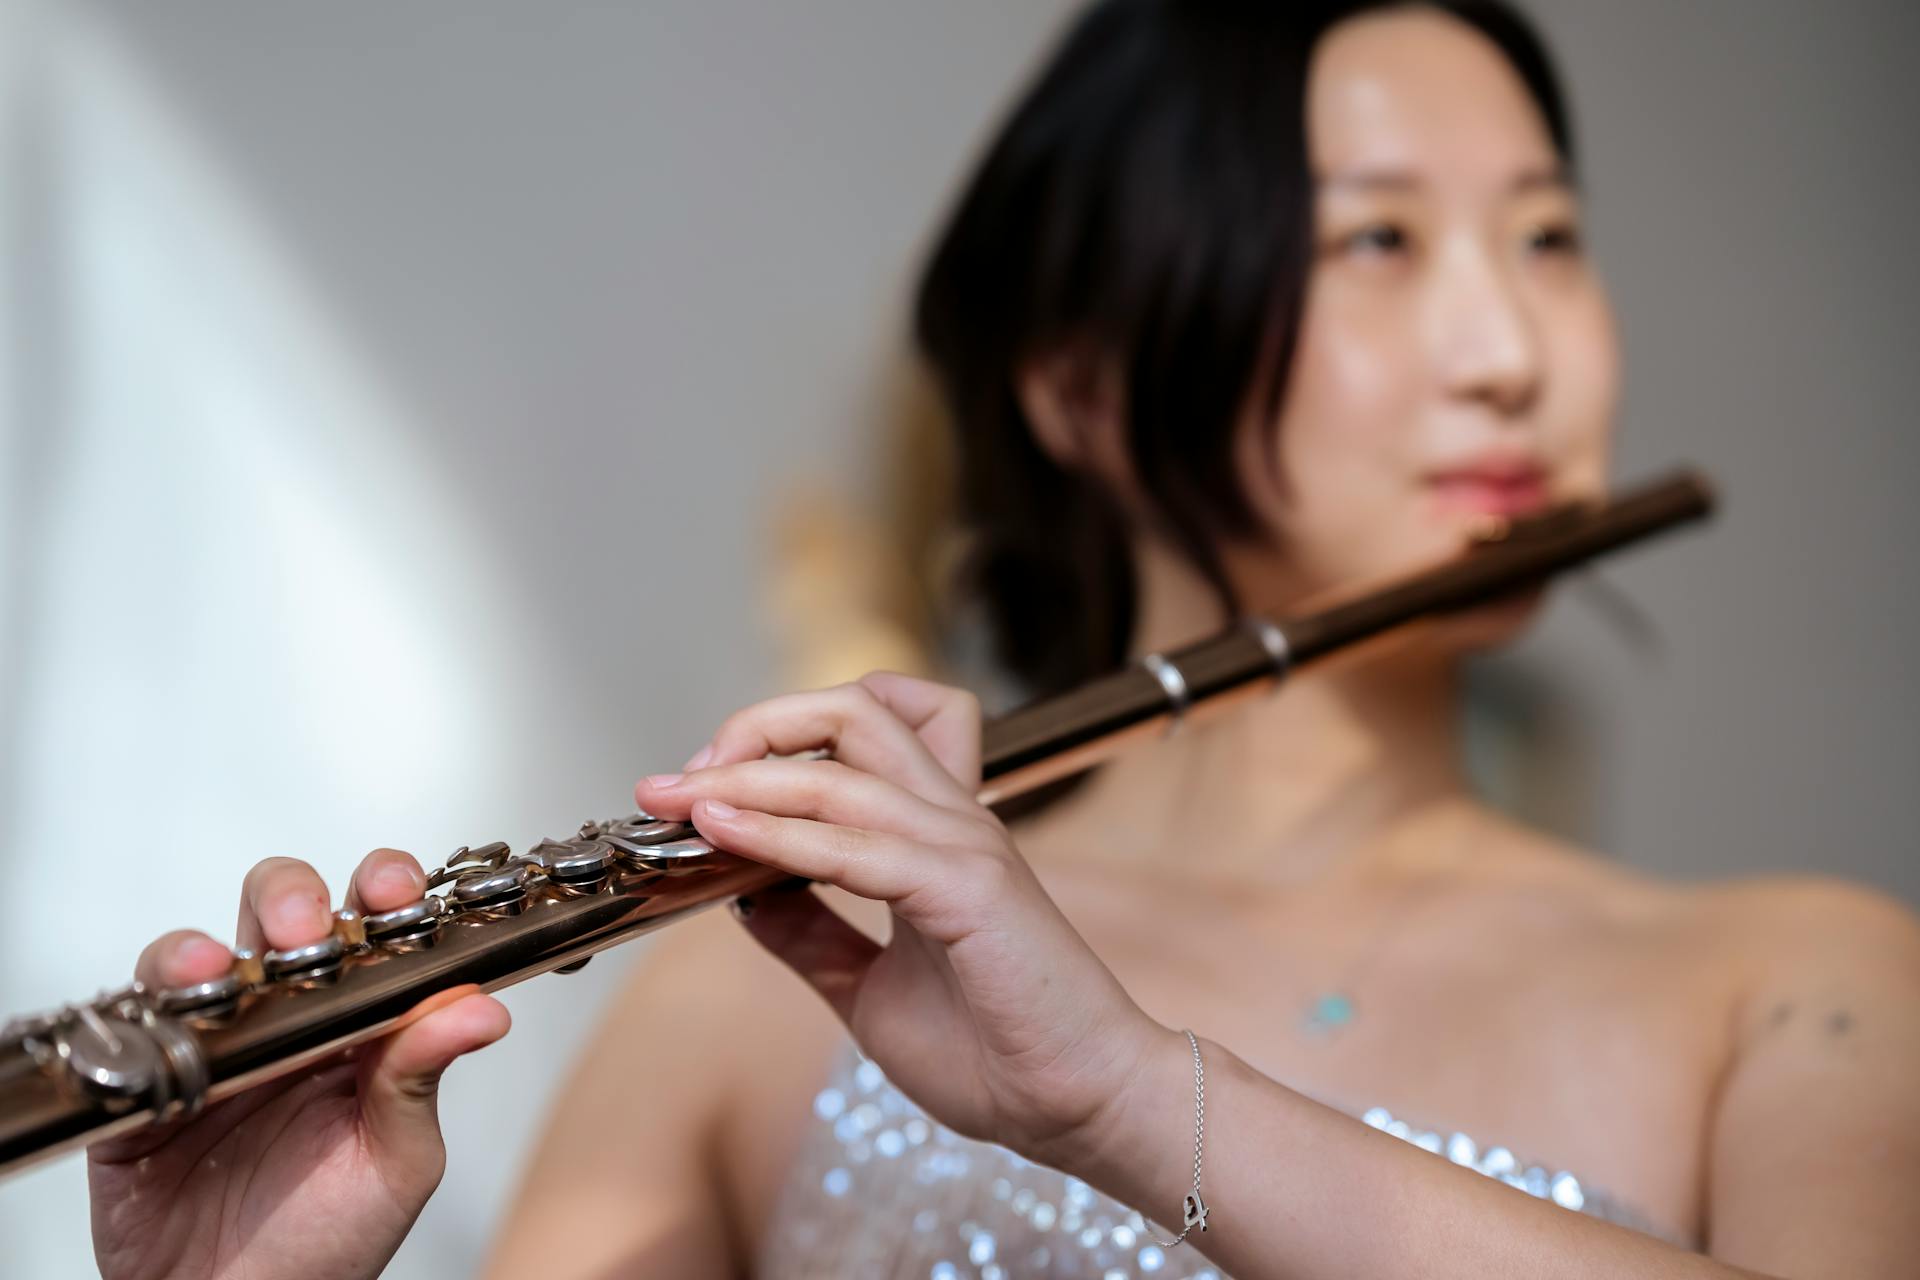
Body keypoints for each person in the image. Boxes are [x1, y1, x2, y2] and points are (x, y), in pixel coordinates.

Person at [88, 2, 1920, 1277]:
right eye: (1381, 243)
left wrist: (1126, 1098)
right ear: (1086, 381)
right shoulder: (753, 1000)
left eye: (1547, 240)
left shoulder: (1801, 981)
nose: (1510, 350)